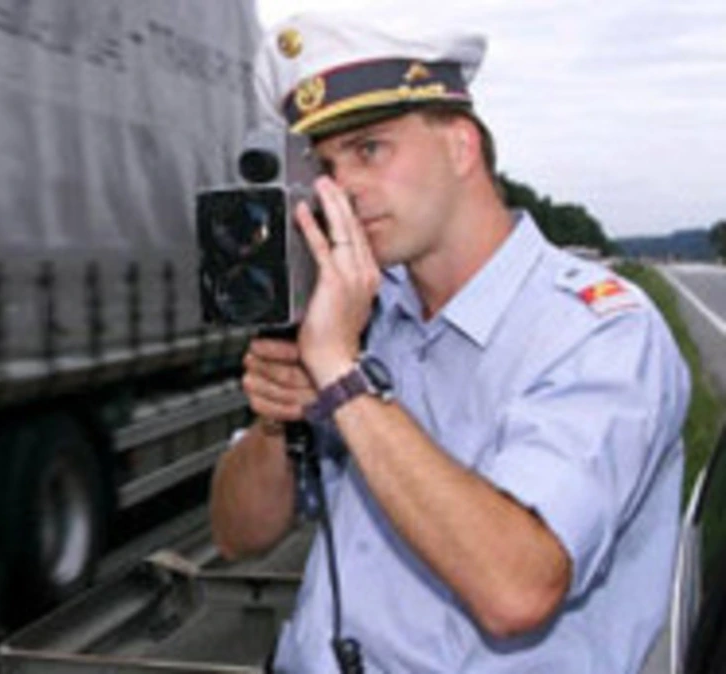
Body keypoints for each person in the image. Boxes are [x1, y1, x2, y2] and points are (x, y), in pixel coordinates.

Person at [209, 14, 690, 673]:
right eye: (323, 165)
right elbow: (237, 535)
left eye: (369, 149)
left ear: (462, 146)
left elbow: (517, 589)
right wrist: (274, 423)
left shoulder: (599, 332)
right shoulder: (362, 316)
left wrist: (343, 377)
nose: (342, 188)